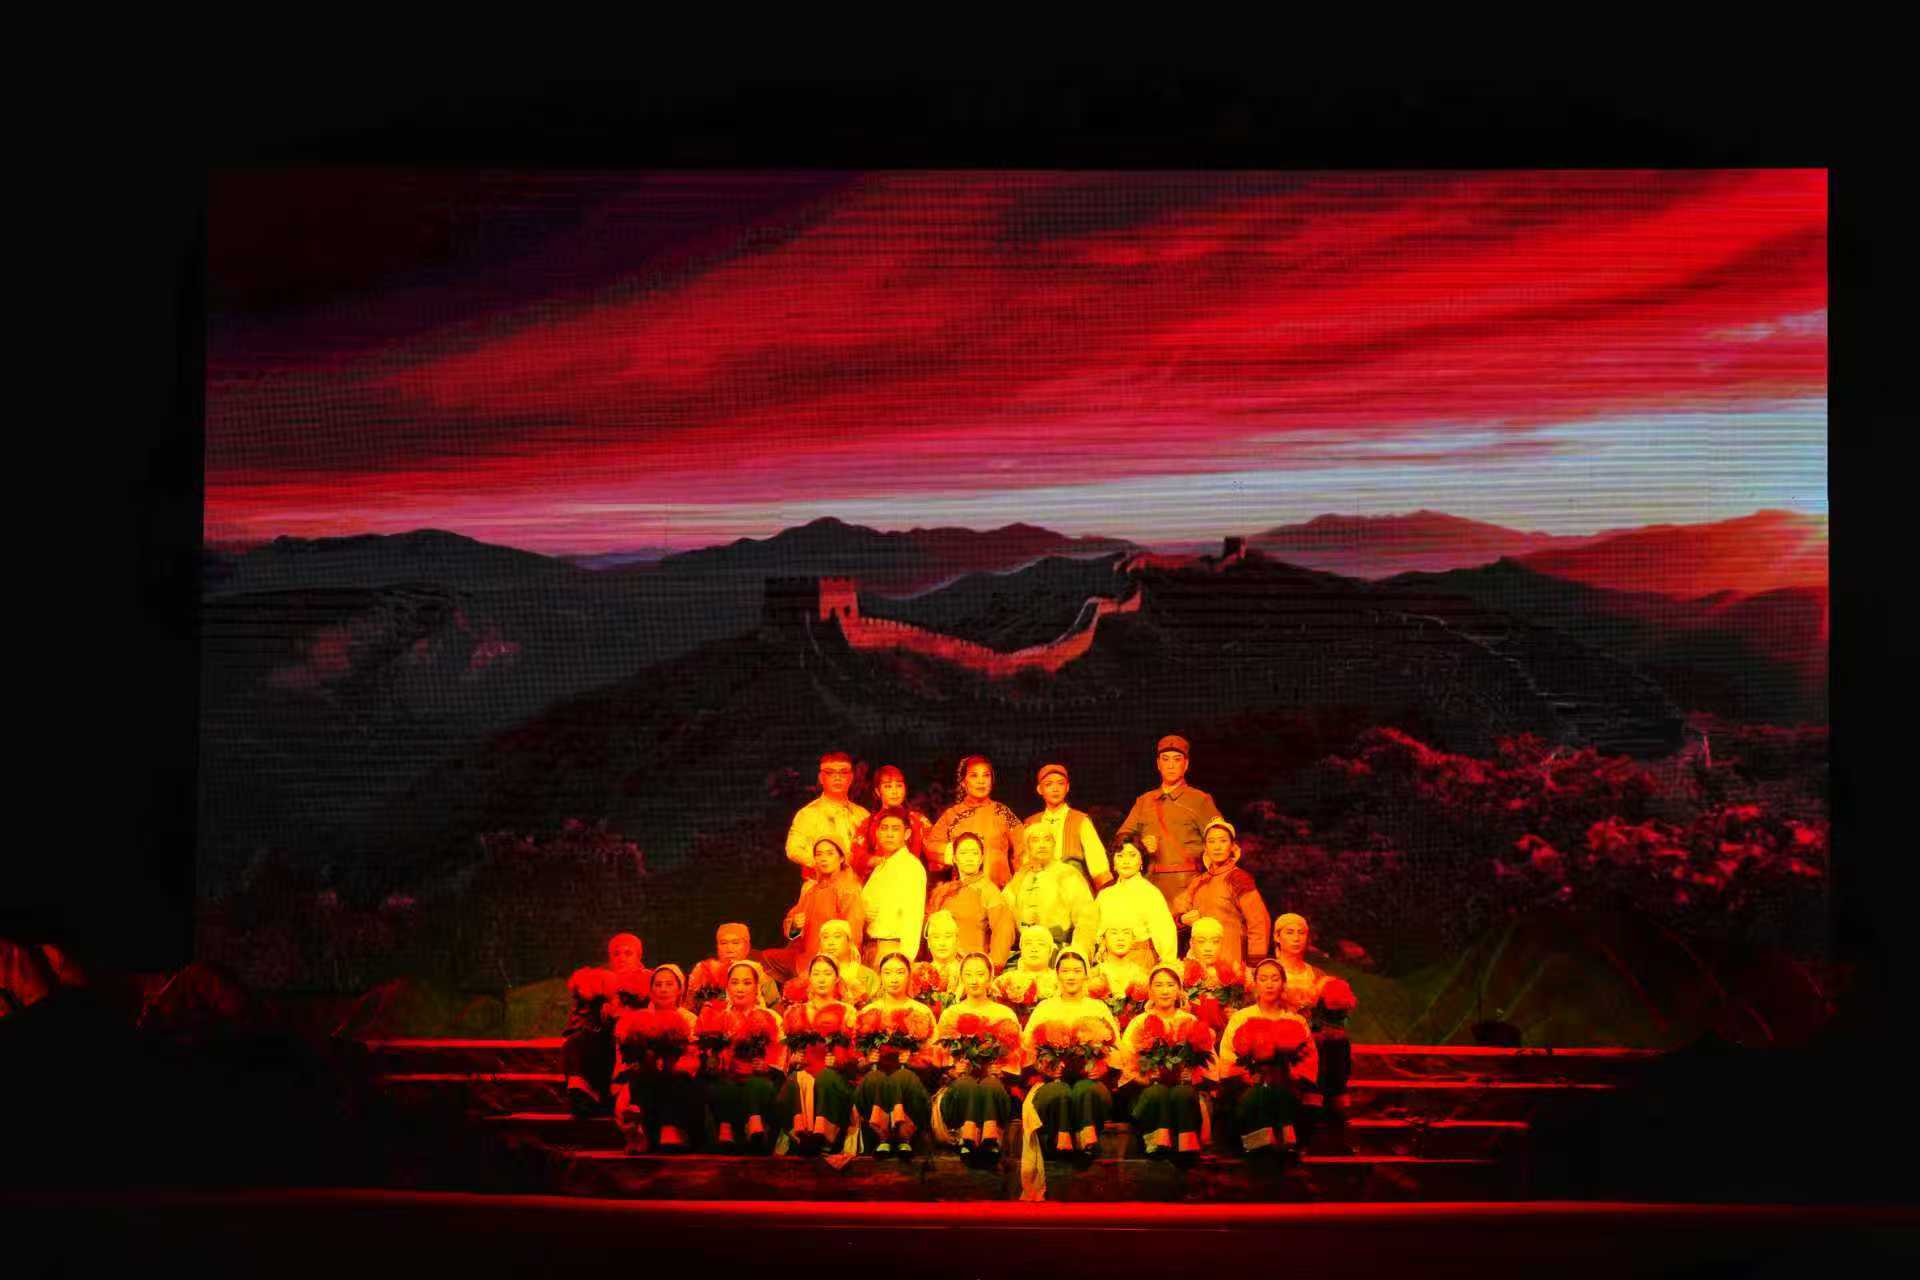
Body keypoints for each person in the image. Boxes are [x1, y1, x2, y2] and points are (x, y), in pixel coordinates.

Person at [1021, 949, 1121, 1171]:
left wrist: (1102, 1067)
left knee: (1086, 1090)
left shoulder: (1098, 1007)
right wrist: (1044, 1067)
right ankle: (1061, 1140)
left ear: (1086, 974)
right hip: (1051, 1081)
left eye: (1077, 971)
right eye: (1065, 971)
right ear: (1057, 974)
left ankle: (1087, 1140)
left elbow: (1116, 1049)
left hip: (1090, 1079)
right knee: (1060, 1091)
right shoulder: (1045, 1008)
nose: (1071, 976)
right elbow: (1027, 1049)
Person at [1216, 958, 1320, 1160]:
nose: (1269, 984)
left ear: (1283, 983)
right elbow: (1228, 1057)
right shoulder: (1241, 1018)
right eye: (1263, 979)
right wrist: (1248, 1076)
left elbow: (1308, 1060)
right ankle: (1259, 1147)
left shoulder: (1295, 1020)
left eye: (1275, 979)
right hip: (1248, 1086)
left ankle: (1278, 1147)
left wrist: (1290, 1074)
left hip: (1287, 1085)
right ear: (1255, 984)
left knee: (1276, 1093)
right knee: (1259, 1095)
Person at [1273, 912, 1356, 1151]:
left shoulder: (1317, 974)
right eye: (1290, 932)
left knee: (1336, 1041)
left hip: (1312, 1036)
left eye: (1301, 933)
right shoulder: (1269, 971)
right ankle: (1316, 1106)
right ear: (1277, 937)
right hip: (1279, 1033)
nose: (1296, 938)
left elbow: (1330, 1017)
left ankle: (1333, 1102)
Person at [1117, 963, 1215, 1162]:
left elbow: (1209, 1065)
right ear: (1150, 991)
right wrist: (1145, 1077)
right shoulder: (1139, 1022)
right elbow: (1125, 1064)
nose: (1164, 991)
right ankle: (1157, 1144)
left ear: (1179, 990)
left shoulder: (1190, 1021)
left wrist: (1192, 1075)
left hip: (1182, 1088)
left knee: (1183, 1092)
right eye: (1159, 985)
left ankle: (1186, 1148)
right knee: (1158, 1091)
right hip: (1148, 1091)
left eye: (1170, 985)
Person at [931, 952, 1023, 1163]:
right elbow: (939, 1062)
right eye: (969, 974)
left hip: (996, 1089)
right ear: (961, 978)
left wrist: (1001, 1071)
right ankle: (967, 1137)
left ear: (990, 978)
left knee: (990, 1083)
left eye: (980, 974)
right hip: (960, 1089)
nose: (974, 980)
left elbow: (1016, 1063)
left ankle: (990, 1139)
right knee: (967, 1083)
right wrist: (955, 1070)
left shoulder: (1005, 1014)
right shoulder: (951, 1014)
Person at [1113, 735, 1222, 908]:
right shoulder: (1144, 801)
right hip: (1149, 885)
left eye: (1177, 759)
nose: (1171, 765)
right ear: (1158, 764)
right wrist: (1140, 844)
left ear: (1186, 764)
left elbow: (1221, 843)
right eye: (1165, 759)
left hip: (1189, 886)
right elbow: (1121, 838)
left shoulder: (1200, 800)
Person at [850, 952, 937, 1158]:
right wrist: (867, 1060)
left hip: (911, 1085)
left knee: (902, 1076)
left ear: (909, 976)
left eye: (900, 972)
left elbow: (934, 1059)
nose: (894, 978)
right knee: (877, 1077)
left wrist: (913, 1061)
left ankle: (898, 1135)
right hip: (873, 1083)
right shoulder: (869, 1012)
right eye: (888, 972)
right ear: (880, 976)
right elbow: (854, 1060)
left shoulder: (921, 1012)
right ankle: (886, 1135)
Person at [773, 954, 861, 1156]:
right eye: (817, 974)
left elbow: (857, 1056)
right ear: (809, 978)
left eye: (827, 974)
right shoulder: (796, 1012)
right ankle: (802, 1137)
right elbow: (785, 1055)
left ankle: (825, 1138)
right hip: (804, 1075)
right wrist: (793, 1060)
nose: (821, 979)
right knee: (795, 1081)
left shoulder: (847, 1012)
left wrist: (840, 1060)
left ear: (836, 978)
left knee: (826, 1078)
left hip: (836, 1077)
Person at [610, 963, 702, 1154]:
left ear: (679, 989)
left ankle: (670, 1130)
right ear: (651, 990)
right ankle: (638, 1132)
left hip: (678, 1076)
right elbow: (626, 1057)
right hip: (644, 1076)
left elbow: (693, 1059)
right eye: (658, 985)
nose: (663, 989)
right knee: (637, 1085)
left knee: (674, 1081)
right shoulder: (637, 1018)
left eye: (669, 984)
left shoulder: (690, 1020)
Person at [699, 960, 787, 1154]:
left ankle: (755, 1127)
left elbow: (780, 1056)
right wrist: (715, 1060)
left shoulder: (771, 1017)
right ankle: (725, 1130)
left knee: (757, 1084)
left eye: (747, 983)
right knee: (724, 1085)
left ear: (756, 987)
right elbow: (707, 1055)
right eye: (735, 982)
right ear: (727, 986)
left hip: (759, 1078)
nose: (740, 988)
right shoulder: (717, 1016)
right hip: (726, 1077)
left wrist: (766, 1066)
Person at [561, 931, 646, 1117]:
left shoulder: (650, 979)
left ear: (639, 956)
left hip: (632, 1043)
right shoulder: (600, 979)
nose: (622, 958)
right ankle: (582, 1093)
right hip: (602, 1041)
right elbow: (579, 1017)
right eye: (616, 954)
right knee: (575, 1042)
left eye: (628, 953)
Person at [1170, 819, 1271, 966]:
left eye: (1223, 841)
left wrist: (1255, 964)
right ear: (1205, 847)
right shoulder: (1199, 881)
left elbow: (1259, 921)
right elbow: (1174, 916)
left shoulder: (1238, 878)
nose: (1217, 847)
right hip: (1200, 962)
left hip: (1231, 960)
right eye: (1211, 841)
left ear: (1232, 846)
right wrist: (1183, 919)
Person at [763, 837, 866, 981]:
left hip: (832, 960)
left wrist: (844, 965)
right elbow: (793, 931)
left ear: (841, 858)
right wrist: (796, 926)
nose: (823, 858)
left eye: (830, 853)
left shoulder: (848, 889)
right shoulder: (812, 890)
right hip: (806, 956)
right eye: (819, 854)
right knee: (767, 958)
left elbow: (854, 931)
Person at [925, 755, 1027, 887]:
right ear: (963, 783)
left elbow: (1023, 848)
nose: (981, 781)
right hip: (963, 891)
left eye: (986, 775)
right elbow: (931, 846)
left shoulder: (1002, 813)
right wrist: (960, 852)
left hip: (1000, 891)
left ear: (992, 781)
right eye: (974, 776)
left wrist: (1018, 885)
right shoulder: (952, 815)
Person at [1004, 825, 1097, 959]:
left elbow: (1086, 919)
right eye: (1035, 840)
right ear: (1027, 846)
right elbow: (1003, 912)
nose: (1042, 845)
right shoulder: (1021, 877)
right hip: (1024, 953)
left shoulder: (1067, 874)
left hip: (1057, 952)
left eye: (1047, 839)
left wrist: (1078, 953)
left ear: (1054, 844)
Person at [926, 833, 1014, 970]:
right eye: (963, 853)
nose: (969, 858)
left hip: (972, 969)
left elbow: (1004, 932)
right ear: (955, 858)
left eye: (974, 853)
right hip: (945, 966)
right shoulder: (947, 890)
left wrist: (991, 968)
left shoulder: (989, 892)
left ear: (981, 858)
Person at [1023, 763, 1112, 890]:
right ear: (1039, 789)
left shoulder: (1080, 820)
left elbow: (1098, 863)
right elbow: (1024, 862)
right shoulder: (1031, 822)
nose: (1055, 789)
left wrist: (1105, 892)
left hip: (1073, 887)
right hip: (1040, 887)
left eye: (1060, 783)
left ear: (1067, 787)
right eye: (1048, 784)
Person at [1089, 841, 1178, 968]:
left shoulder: (1150, 893)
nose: (1126, 861)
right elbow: (1091, 930)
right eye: (1120, 856)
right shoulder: (1105, 895)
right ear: (1113, 862)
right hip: (1107, 963)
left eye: (1132, 855)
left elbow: (1165, 932)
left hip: (1140, 963)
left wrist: (1168, 963)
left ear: (1141, 861)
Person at [785, 752, 870, 884]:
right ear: (821, 777)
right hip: (821, 886)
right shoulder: (808, 814)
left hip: (859, 888)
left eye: (843, 772)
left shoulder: (863, 815)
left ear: (851, 777)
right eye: (830, 773)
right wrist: (822, 863)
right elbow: (793, 849)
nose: (837, 777)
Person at [860, 808, 928, 966]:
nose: (889, 834)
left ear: (907, 834)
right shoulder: (879, 868)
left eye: (895, 829)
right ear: (877, 833)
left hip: (893, 950)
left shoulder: (911, 867)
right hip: (871, 948)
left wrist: (905, 960)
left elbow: (913, 919)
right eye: (884, 828)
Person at [850, 765, 935, 879]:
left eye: (899, 786)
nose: (895, 791)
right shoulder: (868, 824)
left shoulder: (918, 820)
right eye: (888, 786)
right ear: (878, 791)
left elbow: (933, 848)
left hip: (911, 878)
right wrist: (876, 861)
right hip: (879, 880)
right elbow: (855, 856)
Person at [684, 923, 779, 1012]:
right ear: (717, 947)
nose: (729, 949)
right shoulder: (703, 973)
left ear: (747, 947)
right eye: (723, 943)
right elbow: (689, 1009)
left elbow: (776, 1011)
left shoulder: (761, 978)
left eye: (735, 943)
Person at [991, 925, 1061, 1018]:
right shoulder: (1003, 981)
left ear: (1050, 951)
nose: (1034, 949)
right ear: (1021, 950)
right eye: (1028, 944)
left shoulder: (1060, 981)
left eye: (1041, 944)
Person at [816, 918, 879, 1005]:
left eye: (837, 936)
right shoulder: (812, 976)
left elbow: (877, 1006)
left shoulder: (868, 976)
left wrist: (863, 996)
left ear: (849, 942)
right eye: (825, 937)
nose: (830, 943)